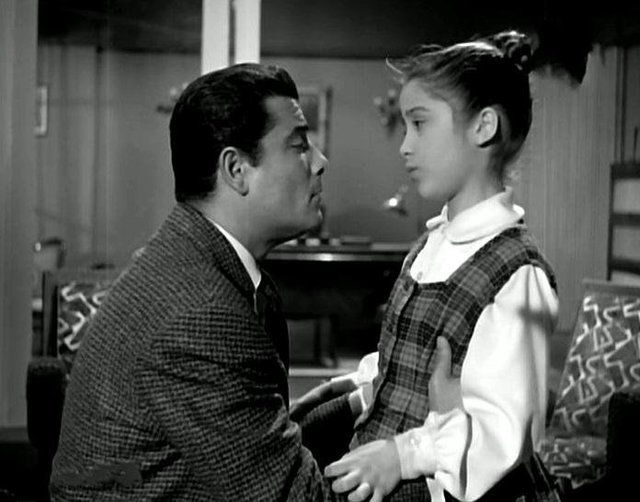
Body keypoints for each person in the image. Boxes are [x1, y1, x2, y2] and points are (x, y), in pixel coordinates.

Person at [50, 63, 356, 501]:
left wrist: (360, 401)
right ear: (236, 169)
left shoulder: (193, 260)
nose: (321, 162)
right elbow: (296, 496)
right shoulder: (200, 312)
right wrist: (421, 457)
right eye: (299, 145)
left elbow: (258, 441)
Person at [320, 31, 564, 501]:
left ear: (483, 126)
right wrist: (356, 389)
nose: (404, 146)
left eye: (420, 124)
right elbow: (404, 366)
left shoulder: (518, 272)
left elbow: (505, 433)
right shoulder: (429, 245)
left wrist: (404, 454)